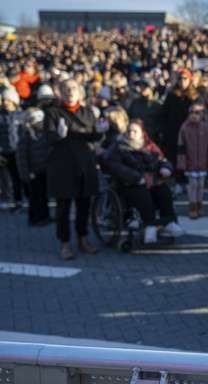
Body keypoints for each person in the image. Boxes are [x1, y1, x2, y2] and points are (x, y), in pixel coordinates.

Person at [44, 79, 105, 260]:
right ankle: (64, 243)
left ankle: (82, 239)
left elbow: (92, 136)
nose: (70, 92)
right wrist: (58, 135)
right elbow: (48, 138)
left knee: (84, 206)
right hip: (62, 166)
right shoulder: (53, 113)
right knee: (63, 208)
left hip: (85, 164)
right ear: (60, 93)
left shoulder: (87, 112)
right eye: (66, 89)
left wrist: (101, 131)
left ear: (80, 92)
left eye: (73, 89)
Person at [101, 119, 184, 244]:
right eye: (129, 131)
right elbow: (115, 166)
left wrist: (165, 167)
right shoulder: (118, 147)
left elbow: (161, 159)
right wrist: (136, 177)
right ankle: (149, 225)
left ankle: (168, 222)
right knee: (142, 192)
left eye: (135, 131)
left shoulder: (148, 146)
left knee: (163, 191)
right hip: (127, 184)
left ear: (142, 133)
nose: (131, 133)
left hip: (148, 181)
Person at [176, 102, 208, 219]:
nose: (194, 115)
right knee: (192, 185)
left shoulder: (207, 127)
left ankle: (199, 204)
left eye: (197, 113)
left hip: (202, 162)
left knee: (201, 185)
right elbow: (180, 147)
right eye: (191, 113)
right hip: (190, 162)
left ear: (202, 114)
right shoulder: (185, 128)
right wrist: (181, 164)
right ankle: (192, 206)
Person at [16, 107, 51, 226]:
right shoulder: (26, 136)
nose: (40, 124)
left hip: (44, 170)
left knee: (44, 195)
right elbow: (22, 157)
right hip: (33, 172)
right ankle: (35, 218)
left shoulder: (45, 134)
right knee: (35, 197)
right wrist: (25, 173)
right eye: (37, 122)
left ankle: (45, 216)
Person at [0, 87, 25, 211]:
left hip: (17, 151)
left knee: (17, 177)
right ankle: (6, 199)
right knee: (4, 177)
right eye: (3, 100)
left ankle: (18, 201)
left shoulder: (20, 115)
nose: (5, 102)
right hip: (3, 151)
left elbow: (24, 133)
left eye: (7, 100)